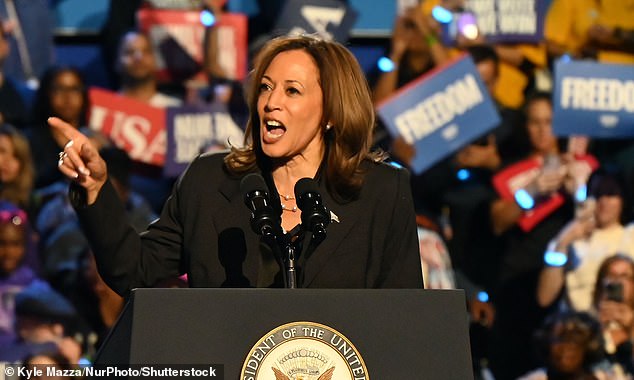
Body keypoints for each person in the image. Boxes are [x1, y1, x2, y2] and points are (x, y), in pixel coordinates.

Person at [48, 35, 423, 296]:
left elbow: (403, 314)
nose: (270, 102)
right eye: (265, 87)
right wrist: (96, 190)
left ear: (331, 113)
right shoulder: (210, 182)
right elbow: (134, 270)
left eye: (291, 90)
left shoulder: (381, 192)